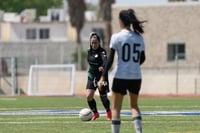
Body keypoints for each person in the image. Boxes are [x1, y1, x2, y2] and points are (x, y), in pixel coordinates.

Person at [98, 9, 146, 133]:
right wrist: (133, 65)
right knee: (134, 106)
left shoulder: (116, 37)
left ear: (120, 21)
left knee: (115, 109)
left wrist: (103, 77)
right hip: (136, 77)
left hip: (121, 76)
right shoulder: (138, 38)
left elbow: (110, 60)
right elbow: (142, 58)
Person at [85, 32, 112, 121]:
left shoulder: (102, 51)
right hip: (92, 76)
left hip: (101, 76)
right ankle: (95, 113)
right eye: (92, 42)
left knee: (103, 95)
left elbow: (105, 61)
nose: (94, 44)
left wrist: (102, 67)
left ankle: (108, 112)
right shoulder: (89, 51)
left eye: (95, 42)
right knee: (89, 96)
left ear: (99, 42)